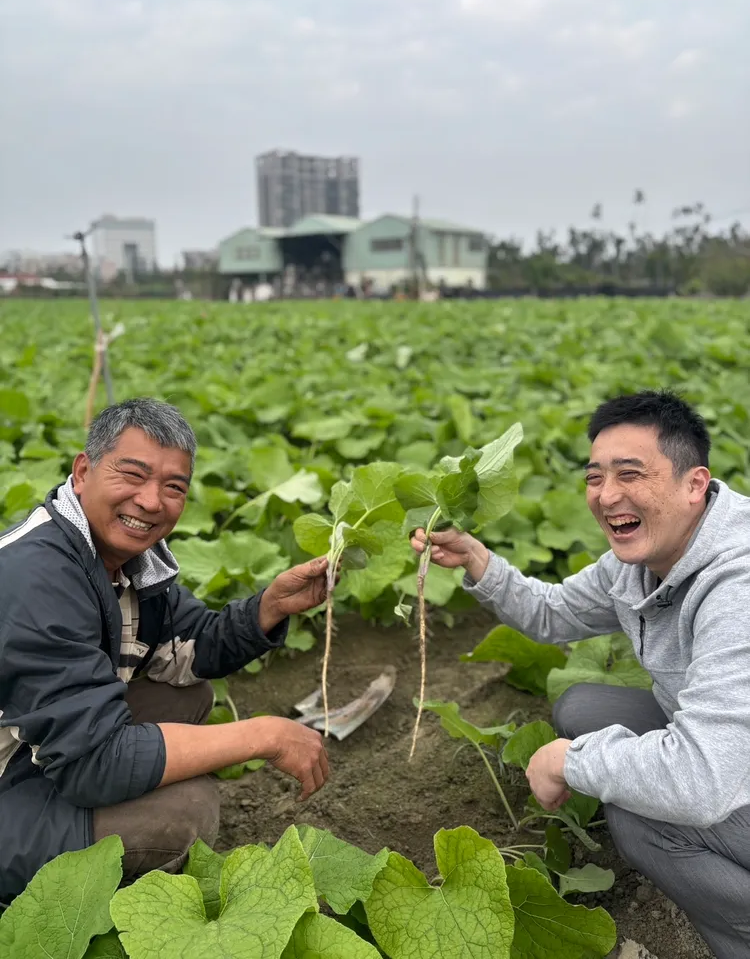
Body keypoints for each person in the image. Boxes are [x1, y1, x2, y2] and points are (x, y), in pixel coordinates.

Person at [412, 390, 750, 959]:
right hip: (730, 750)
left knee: (641, 817)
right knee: (583, 711)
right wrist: (475, 558)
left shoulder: (737, 584)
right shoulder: (643, 559)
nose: (607, 495)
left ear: (696, 484)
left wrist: (572, 761)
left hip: (720, 766)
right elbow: (552, 612)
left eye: (631, 473)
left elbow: (703, 777)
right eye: (595, 477)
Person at [0, 399, 330, 904]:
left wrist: (270, 606)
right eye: (132, 475)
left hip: (29, 748)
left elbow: (192, 643)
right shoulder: (36, 576)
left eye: (173, 487)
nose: (151, 501)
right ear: (84, 471)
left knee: (185, 694)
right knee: (182, 813)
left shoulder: (123, 558)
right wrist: (263, 735)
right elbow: (95, 764)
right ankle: (42, 895)